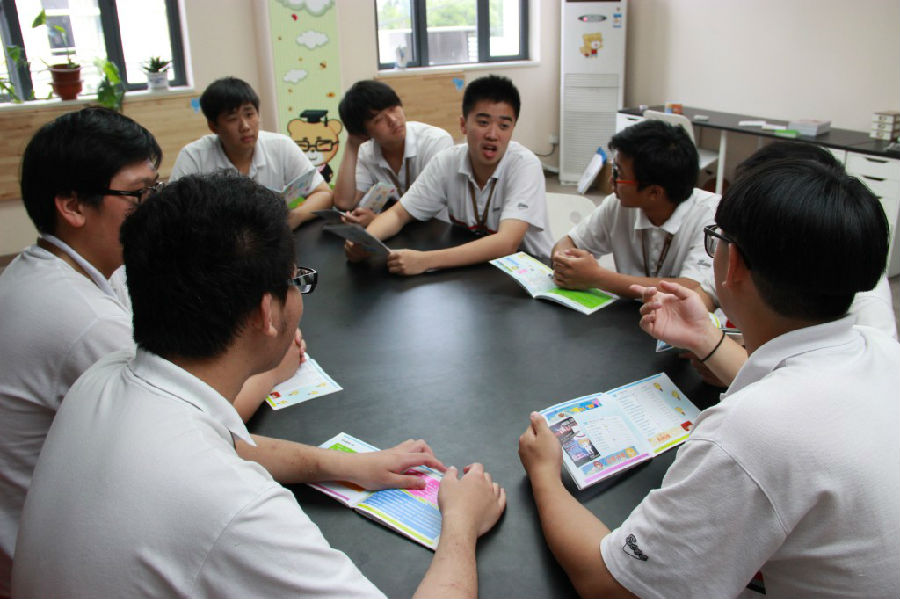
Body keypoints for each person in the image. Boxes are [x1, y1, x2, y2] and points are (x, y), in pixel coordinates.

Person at [12, 173, 506, 598]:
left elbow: (228, 445)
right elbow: (218, 474)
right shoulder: (235, 507)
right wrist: (460, 525)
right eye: (296, 281)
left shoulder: (103, 378)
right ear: (266, 313)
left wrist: (349, 466)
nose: (299, 294)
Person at [519, 158, 900, 597]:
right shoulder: (882, 351)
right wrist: (706, 337)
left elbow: (611, 586)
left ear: (731, 262)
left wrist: (546, 474)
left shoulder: (750, 433)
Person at [684, 141, 898, 388]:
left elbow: (849, 385)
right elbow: (711, 288)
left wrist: (720, 354)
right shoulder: (774, 251)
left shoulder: (868, 310)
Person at [345, 75, 553, 275]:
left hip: (533, 270)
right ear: (463, 124)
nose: (493, 134)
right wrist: (366, 240)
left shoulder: (524, 165)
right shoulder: (446, 162)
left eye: (504, 126)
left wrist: (426, 261)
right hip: (480, 271)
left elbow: (507, 242)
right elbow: (399, 214)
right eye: (483, 122)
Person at [551, 119, 719, 309]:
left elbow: (693, 291)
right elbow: (570, 242)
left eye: (618, 174)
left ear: (654, 193)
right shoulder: (618, 204)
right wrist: (564, 261)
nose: (611, 180)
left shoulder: (711, 217)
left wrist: (598, 277)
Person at [169, 76, 332, 228]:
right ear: (213, 126)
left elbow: (323, 193)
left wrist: (296, 216)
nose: (245, 126)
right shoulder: (194, 157)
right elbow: (171, 214)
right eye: (232, 119)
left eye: (249, 114)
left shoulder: (281, 146)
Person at [334, 79, 454, 226]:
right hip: (400, 232)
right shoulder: (367, 152)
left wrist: (378, 220)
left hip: (439, 229)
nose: (393, 119)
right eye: (378, 119)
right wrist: (352, 145)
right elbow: (344, 202)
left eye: (393, 109)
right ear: (364, 133)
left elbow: (429, 204)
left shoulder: (435, 141)